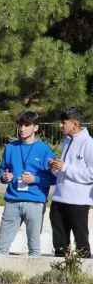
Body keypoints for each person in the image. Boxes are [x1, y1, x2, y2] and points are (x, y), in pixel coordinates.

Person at [0, 111, 55, 257]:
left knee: (34, 249)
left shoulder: (44, 150)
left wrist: (34, 180)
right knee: (1, 248)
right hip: (12, 201)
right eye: (20, 125)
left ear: (35, 128)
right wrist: (5, 177)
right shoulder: (10, 147)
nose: (22, 129)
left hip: (35, 203)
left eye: (26, 125)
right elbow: (2, 170)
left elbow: (54, 179)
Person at [49, 107, 93, 258]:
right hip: (58, 200)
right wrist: (54, 167)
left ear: (75, 123)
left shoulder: (89, 144)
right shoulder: (66, 141)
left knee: (81, 244)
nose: (60, 126)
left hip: (78, 203)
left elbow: (91, 175)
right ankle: (60, 276)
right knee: (59, 245)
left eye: (63, 122)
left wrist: (65, 167)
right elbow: (62, 170)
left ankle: (83, 277)